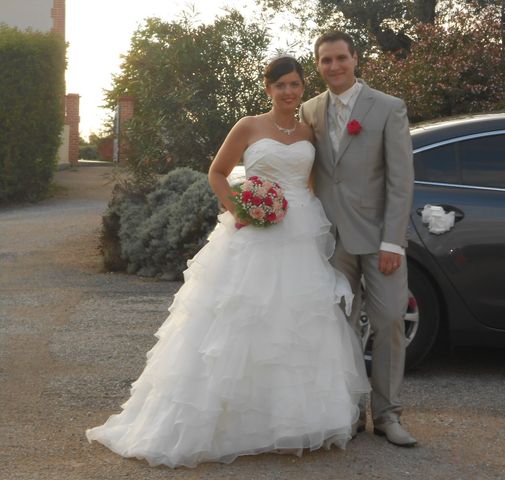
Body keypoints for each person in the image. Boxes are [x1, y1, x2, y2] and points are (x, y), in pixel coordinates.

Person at [85, 56, 369, 468]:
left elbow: (312, 183)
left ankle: (292, 425)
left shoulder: (310, 130)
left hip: (301, 234)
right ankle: (231, 424)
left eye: (294, 84)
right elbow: (217, 173)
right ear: (267, 88)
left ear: (302, 86)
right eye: (280, 85)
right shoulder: (249, 126)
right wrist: (241, 208)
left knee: (295, 326)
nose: (288, 92)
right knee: (243, 322)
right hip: (255, 234)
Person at [299, 31, 416, 447]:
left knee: (388, 323)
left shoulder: (387, 107)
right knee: (339, 328)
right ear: (318, 65)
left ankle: (387, 415)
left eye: (340, 58)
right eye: (325, 60)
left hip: (378, 238)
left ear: (355, 59)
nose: (334, 66)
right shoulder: (310, 110)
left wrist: (393, 242)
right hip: (332, 239)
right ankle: (346, 413)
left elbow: (401, 181)